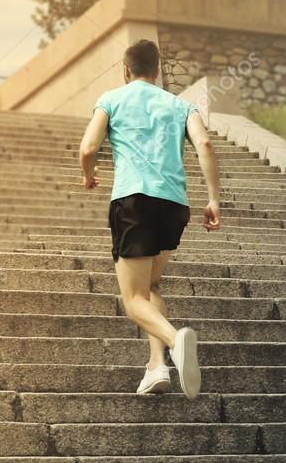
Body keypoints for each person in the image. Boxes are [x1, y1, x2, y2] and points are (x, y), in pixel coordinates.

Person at [78, 38, 221, 399]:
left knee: (133, 299)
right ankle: (157, 367)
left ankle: (175, 342)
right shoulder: (180, 104)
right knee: (151, 287)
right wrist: (213, 199)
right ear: (157, 72)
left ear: (126, 70)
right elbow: (204, 144)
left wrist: (88, 175)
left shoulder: (111, 99)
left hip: (134, 201)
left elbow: (88, 147)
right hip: (174, 205)